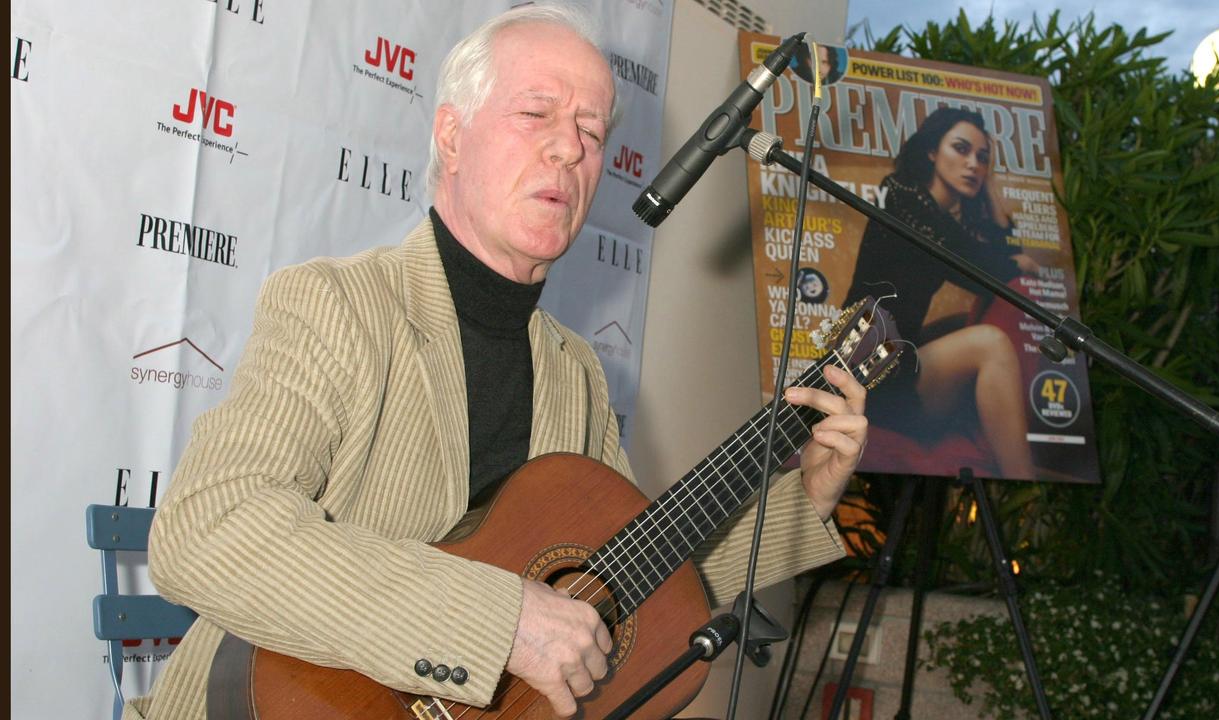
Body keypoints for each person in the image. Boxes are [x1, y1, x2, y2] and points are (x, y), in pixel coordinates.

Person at [129, 5, 870, 719]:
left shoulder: (574, 372)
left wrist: (803, 497)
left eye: (590, 129)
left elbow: (627, 583)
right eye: (536, 114)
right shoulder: (337, 307)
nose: (570, 148)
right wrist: (499, 621)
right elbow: (207, 529)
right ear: (451, 136)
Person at [842, 107, 1037, 480]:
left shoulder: (940, 218)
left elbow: (994, 247)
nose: (973, 165)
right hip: (870, 373)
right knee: (991, 342)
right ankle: (1024, 480)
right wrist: (1016, 265)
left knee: (958, 324)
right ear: (932, 151)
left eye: (982, 158)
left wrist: (990, 185)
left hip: (894, 359)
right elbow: (984, 270)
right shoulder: (901, 196)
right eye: (961, 150)